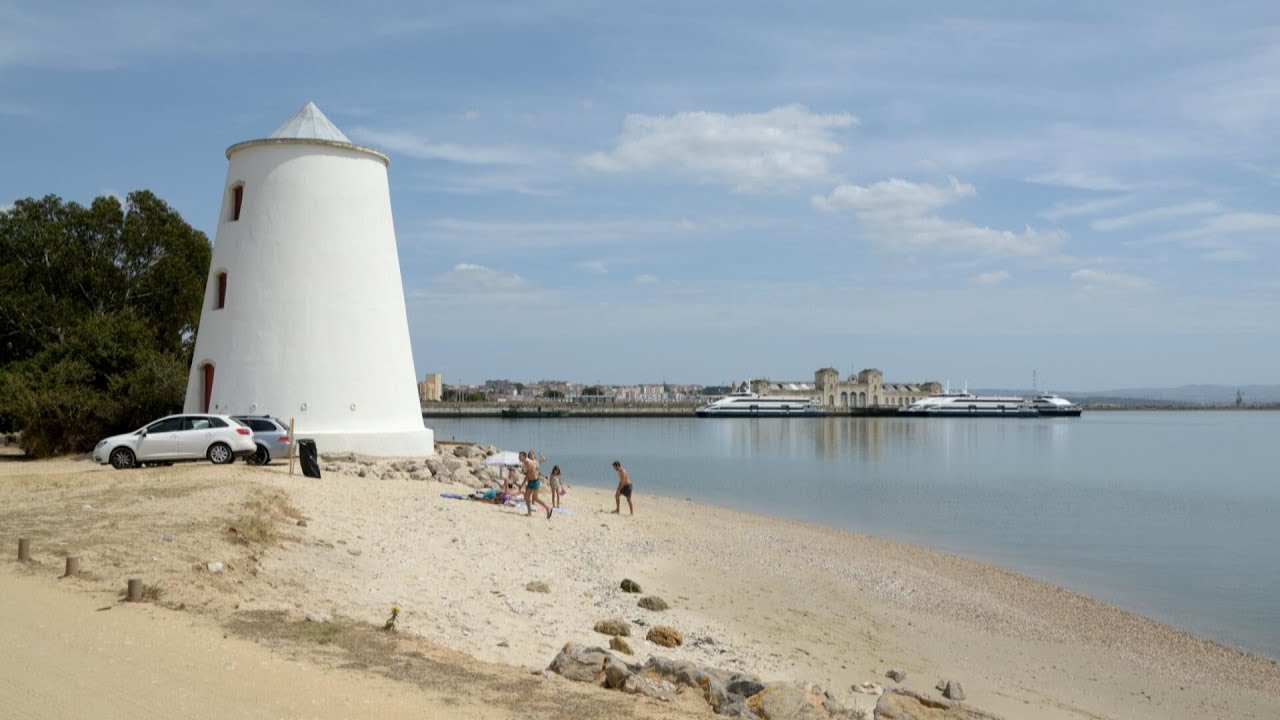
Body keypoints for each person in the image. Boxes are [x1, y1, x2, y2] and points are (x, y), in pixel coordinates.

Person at [520, 450, 552, 519]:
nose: (518, 458)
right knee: (526, 497)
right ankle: (529, 512)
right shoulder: (526, 463)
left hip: (535, 481)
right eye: (530, 454)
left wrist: (541, 454)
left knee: (535, 498)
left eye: (520, 457)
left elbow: (543, 459)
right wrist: (522, 484)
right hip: (530, 482)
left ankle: (548, 508)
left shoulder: (532, 463)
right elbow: (527, 475)